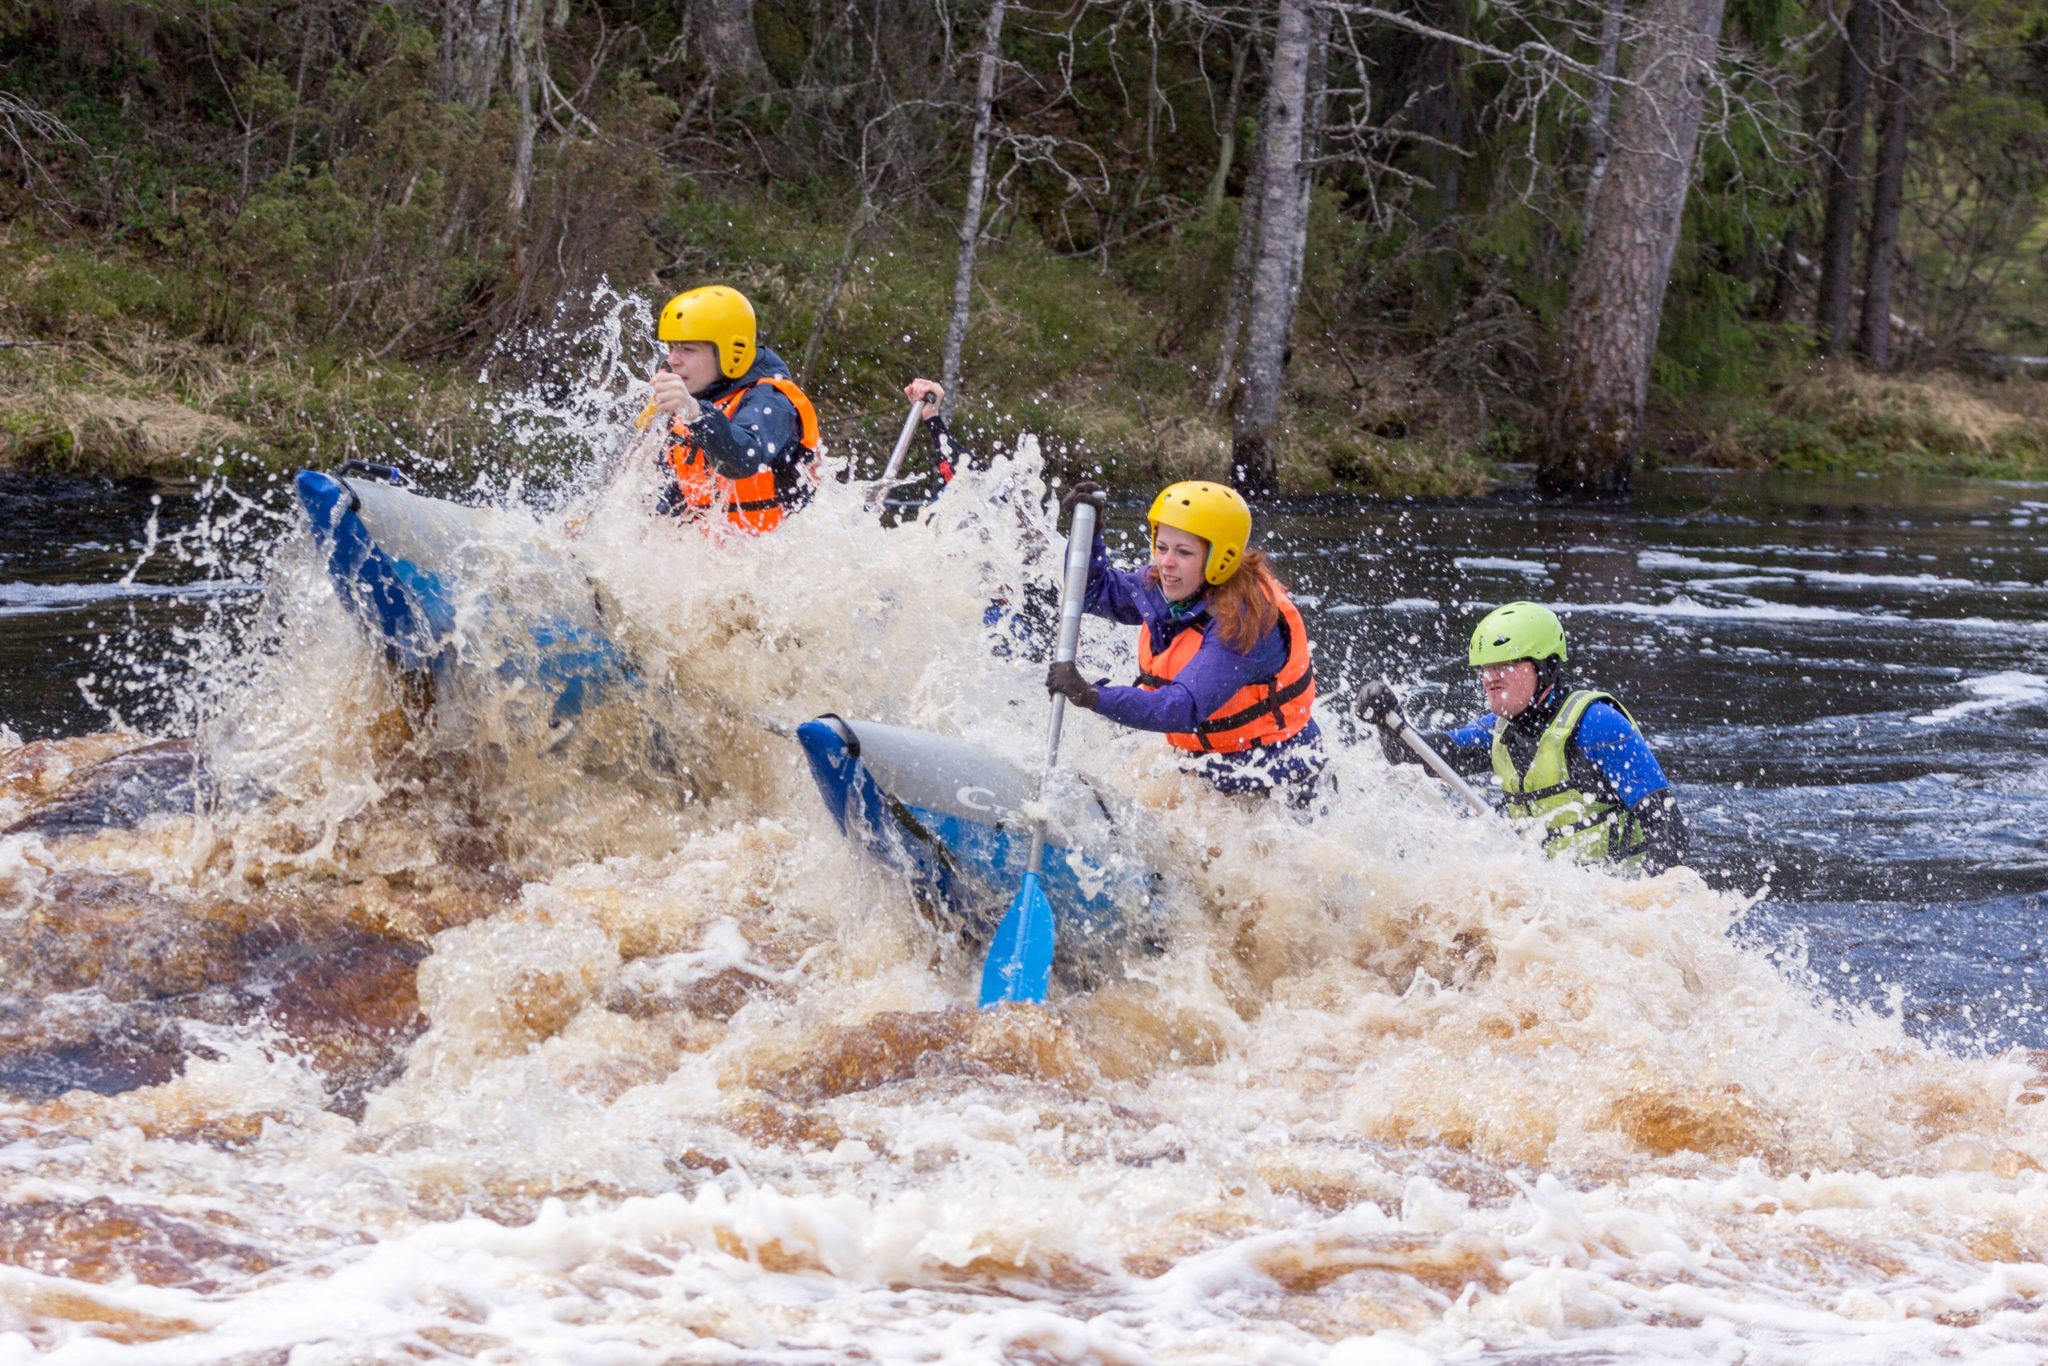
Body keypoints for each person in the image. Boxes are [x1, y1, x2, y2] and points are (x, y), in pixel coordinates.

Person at [1045, 479, 1324, 805]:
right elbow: (1094, 592)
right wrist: (1090, 534)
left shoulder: (1245, 624)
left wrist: (1091, 695)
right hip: (1206, 767)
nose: (1166, 563)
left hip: (1277, 787)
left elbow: (1182, 707)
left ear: (1220, 558)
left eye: (1183, 552)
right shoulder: (1166, 585)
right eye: (1162, 548)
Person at [1355, 601, 1687, 873]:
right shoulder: (1496, 732)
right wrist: (1388, 722)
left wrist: (1638, 908)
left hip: (1620, 891)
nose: (1490, 678)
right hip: (1552, 898)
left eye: (1506, 664)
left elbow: (1670, 833)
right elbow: (1419, 756)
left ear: (1546, 667)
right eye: (1486, 668)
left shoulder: (1597, 725)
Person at [647, 285, 821, 535]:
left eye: (687, 349)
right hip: (716, 558)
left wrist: (694, 411)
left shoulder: (771, 400)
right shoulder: (690, 406)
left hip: (774, 555)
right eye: (671, 347)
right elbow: (674, 500)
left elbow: (742, 460)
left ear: (731, 352)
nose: (673, 359)